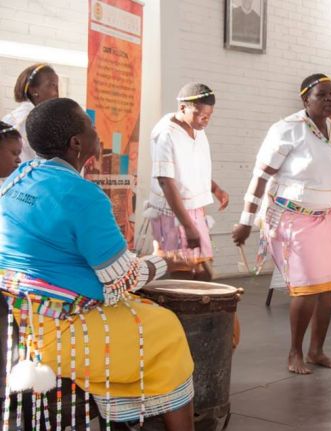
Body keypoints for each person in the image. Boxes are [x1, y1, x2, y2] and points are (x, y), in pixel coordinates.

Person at [0, 98, 196, 429]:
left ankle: (122, 415)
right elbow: (123, 278)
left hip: (18, 318)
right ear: (77, 143)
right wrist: (167, 262)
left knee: (140, 312)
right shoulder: (83, 196)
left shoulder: (21, 176)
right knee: (166, 329)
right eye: (90, 126)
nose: (97, 131)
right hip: (57, 330)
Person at [232, 73, 331, 374]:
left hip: (325, 220)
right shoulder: (287, 129)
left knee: (328, 290)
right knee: (306, 289)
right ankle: (295, 353)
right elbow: (261, 177)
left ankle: (316, 351)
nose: (329, 100)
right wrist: (246, 221)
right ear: (305, 99)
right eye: (322, 95)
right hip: (291, 219)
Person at [145, 83, 229, 281]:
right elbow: (166, 181)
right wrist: (188, 226)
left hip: (194, 209)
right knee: (181, 274)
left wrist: (215, 189)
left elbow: (193, 168)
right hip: (173, 212)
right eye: (202, 115)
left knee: (203, 272)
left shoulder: (197, 129)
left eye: (209, 115)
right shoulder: (165, 134)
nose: (206, 120)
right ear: (183, 108)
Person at [2, 63, 59, 162]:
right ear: (34, 91)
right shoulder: (23, 120)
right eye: (52, 85)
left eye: (57, 86)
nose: (56, 92)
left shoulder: (40, 117)